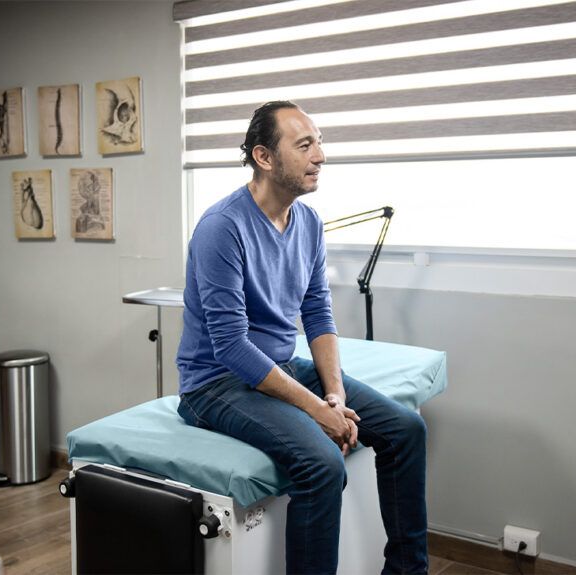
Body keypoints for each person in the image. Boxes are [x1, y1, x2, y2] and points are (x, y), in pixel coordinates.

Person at [176, 101, 428, 575]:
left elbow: (317, 313)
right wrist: (317, 413)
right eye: (305, 144)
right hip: (215, 385)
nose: (321, 155)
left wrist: (334, 393)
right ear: (264, 157)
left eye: (319, 142)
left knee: (406, 430)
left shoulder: (309, 223)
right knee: (321, 464)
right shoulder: (221, 228)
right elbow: (230, 346)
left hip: (279, 369)